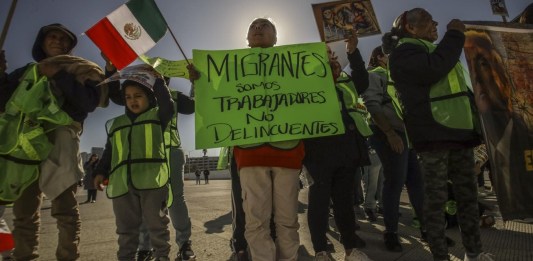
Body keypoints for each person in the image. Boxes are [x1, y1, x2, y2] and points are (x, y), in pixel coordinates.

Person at [383, 8, 493, 261]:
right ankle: (441, 257)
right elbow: (434, 69)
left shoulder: (431, 50)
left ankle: (474, 254)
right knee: (435, 202)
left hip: (459, 135)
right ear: (410, 28)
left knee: (467, 198)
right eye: (428, 20)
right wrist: (454, 34)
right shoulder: (403, 53)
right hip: (434, 139)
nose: (435, 24)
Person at [189, 17, 303, 261]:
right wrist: (199, 83)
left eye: (264, 25)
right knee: (256, 221)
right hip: (250, 154)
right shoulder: (230, 69)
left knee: (287, 221)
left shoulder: (295, 65)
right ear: (247, 38)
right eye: (253, 26)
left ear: (276, 37)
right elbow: (212, 104)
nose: (258, 28)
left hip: (288, 153)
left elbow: (312, 97)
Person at [0, 23, 104, 260]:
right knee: (24, 210)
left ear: (70, 47)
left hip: (60, 141)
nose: (58, 41)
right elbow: (5, 103)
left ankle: (68, 256)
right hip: (24, 145)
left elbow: (87, 103)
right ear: (42, 43)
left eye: (64, 39)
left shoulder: (81, 69)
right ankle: (25, 256)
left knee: (64, 208)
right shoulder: (26, 72)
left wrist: (57, 74)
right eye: (52, 37)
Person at [103, 58, 197, 261]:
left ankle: (184, 244)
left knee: (175, 200)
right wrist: (110, 69)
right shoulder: (135, 94)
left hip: (170, 151)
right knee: (143, 200)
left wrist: (196, 84)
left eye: (160, 75)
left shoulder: (172, 97)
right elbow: (114, 94)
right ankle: (145, 248)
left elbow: (194, 106)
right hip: (143, 158)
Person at [305, 31, 372, 261]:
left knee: (344, 201)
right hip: (318, 150)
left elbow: (362, 81)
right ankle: (321, 250)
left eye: (331, 55)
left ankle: (351, 248)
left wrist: (353, 52)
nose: (329, 58)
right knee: (319, 201)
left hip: (347, 148)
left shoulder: (345, 79)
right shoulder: (305, 82)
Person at [94, 68, 173, 261]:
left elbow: (168, 106)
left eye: (138, 96)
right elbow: (109, 151)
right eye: (128, 97)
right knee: (126, 230)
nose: (133, 100)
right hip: (123, 185)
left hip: (152, 183)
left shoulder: (157, 117)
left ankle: (162, 257)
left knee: (157, 225)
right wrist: (100, 171)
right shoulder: (117, 123)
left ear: (149, 97)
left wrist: (158, 81)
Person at [362, 45, 428, 252]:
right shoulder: (374, 75)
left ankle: (428, 229)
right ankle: (391, 233)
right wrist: (390, 133)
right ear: (380, 57)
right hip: (388, 134)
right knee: (395, 182)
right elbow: (372, 106)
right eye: (391, 55)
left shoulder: (396, 76)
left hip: (405, 136)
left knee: (417, 182)